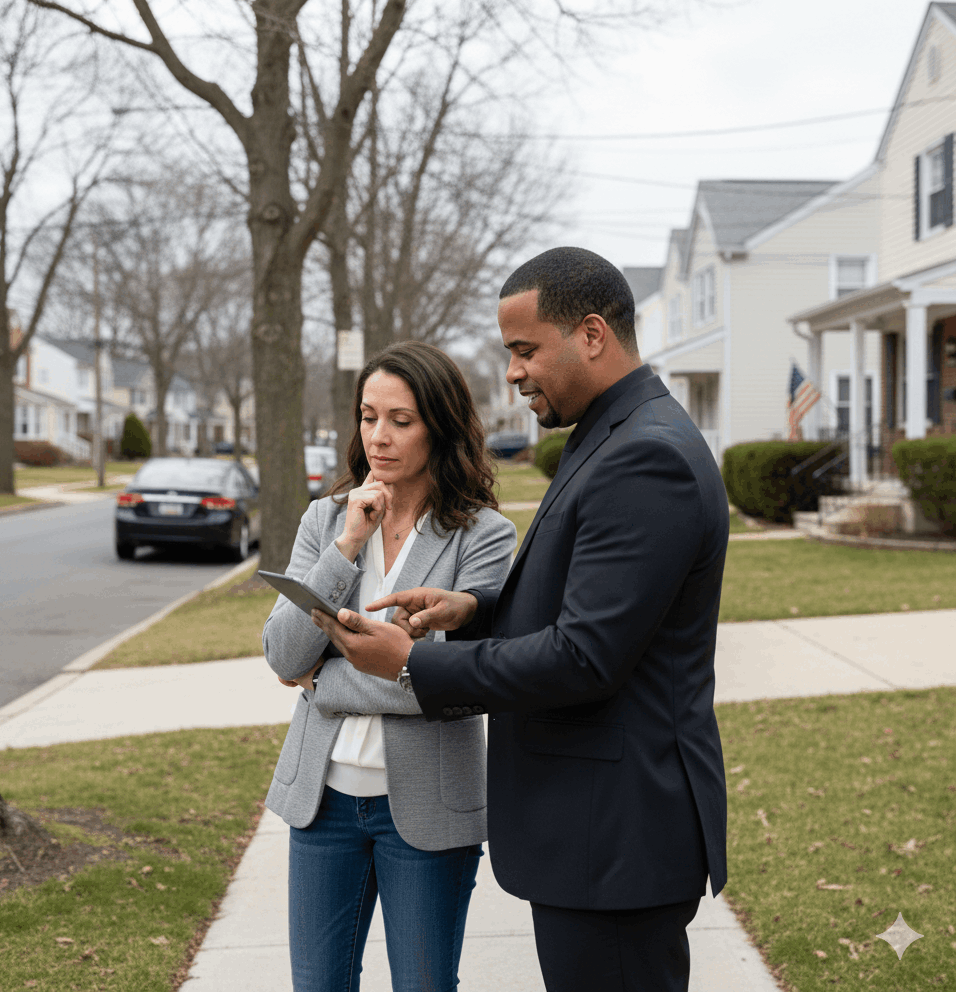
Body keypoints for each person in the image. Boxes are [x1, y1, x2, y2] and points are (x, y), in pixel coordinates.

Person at [311, 247, 730, 992]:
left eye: (525, 350)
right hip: (594, 835)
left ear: (592, 334)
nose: (512, 372)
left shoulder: (645, 457)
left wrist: (410, 663)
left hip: (614, 838)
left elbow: (584, 658)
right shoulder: (609, 435)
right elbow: (588, 604)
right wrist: (471, 608)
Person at [262, 340, 516, 992]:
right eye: (369, 416)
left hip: (430, 812)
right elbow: (285, 655)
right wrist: (348, 543)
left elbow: (466, 686)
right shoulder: (326, 520)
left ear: (441, 425)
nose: (379, 435)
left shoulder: (483, 537)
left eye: (400, 420)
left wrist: (327, 685)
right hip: (324, 806)